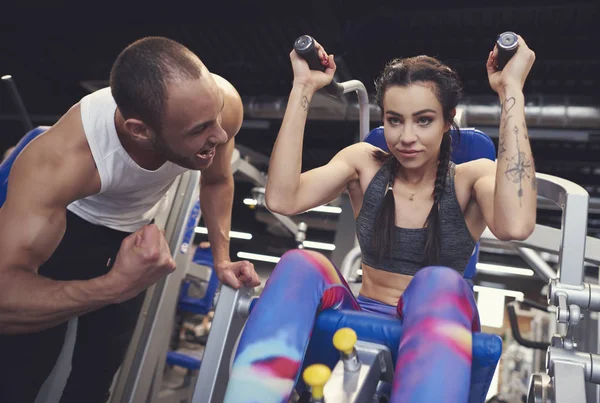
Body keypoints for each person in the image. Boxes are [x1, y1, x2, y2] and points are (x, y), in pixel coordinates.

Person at [224, 37, 537, 403]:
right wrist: (303, 86)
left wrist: (510, 89)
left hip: (439, 320)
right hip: (361, 310)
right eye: (394, 120)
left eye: (423, 121)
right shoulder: (365, 163)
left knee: (438, 280)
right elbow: (281, 198)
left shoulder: (471, 177)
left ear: (447, 120)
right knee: (299, 263)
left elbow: (515, 226)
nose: (406, 137)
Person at [0, 36, 260, 403]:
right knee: (25, 367)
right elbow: (4, 300)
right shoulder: (61, 163)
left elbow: (217, 180)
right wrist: (113, 286)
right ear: (140, 131)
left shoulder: (223, 107)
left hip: (130, 235)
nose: (219, 134)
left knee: (97, 374)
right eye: (199, 130)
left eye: (216, 118)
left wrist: (222, 258)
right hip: (67, 232)